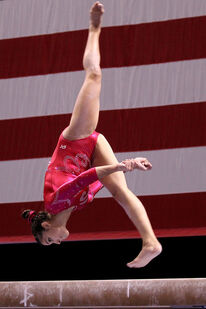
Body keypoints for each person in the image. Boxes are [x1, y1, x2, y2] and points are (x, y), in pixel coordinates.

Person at [22, 1, 162, 268]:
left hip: (75, 140)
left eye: (49, 240)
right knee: (121, 192)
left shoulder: (55, 203)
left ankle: (94, 27)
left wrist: (125, 165)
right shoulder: (76, 206)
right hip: (92, 151)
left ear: (47, 225)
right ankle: (151, 242)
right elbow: (94, 183)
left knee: (94, 75)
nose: (57, 242)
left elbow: (86, 177)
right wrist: (125, 165)